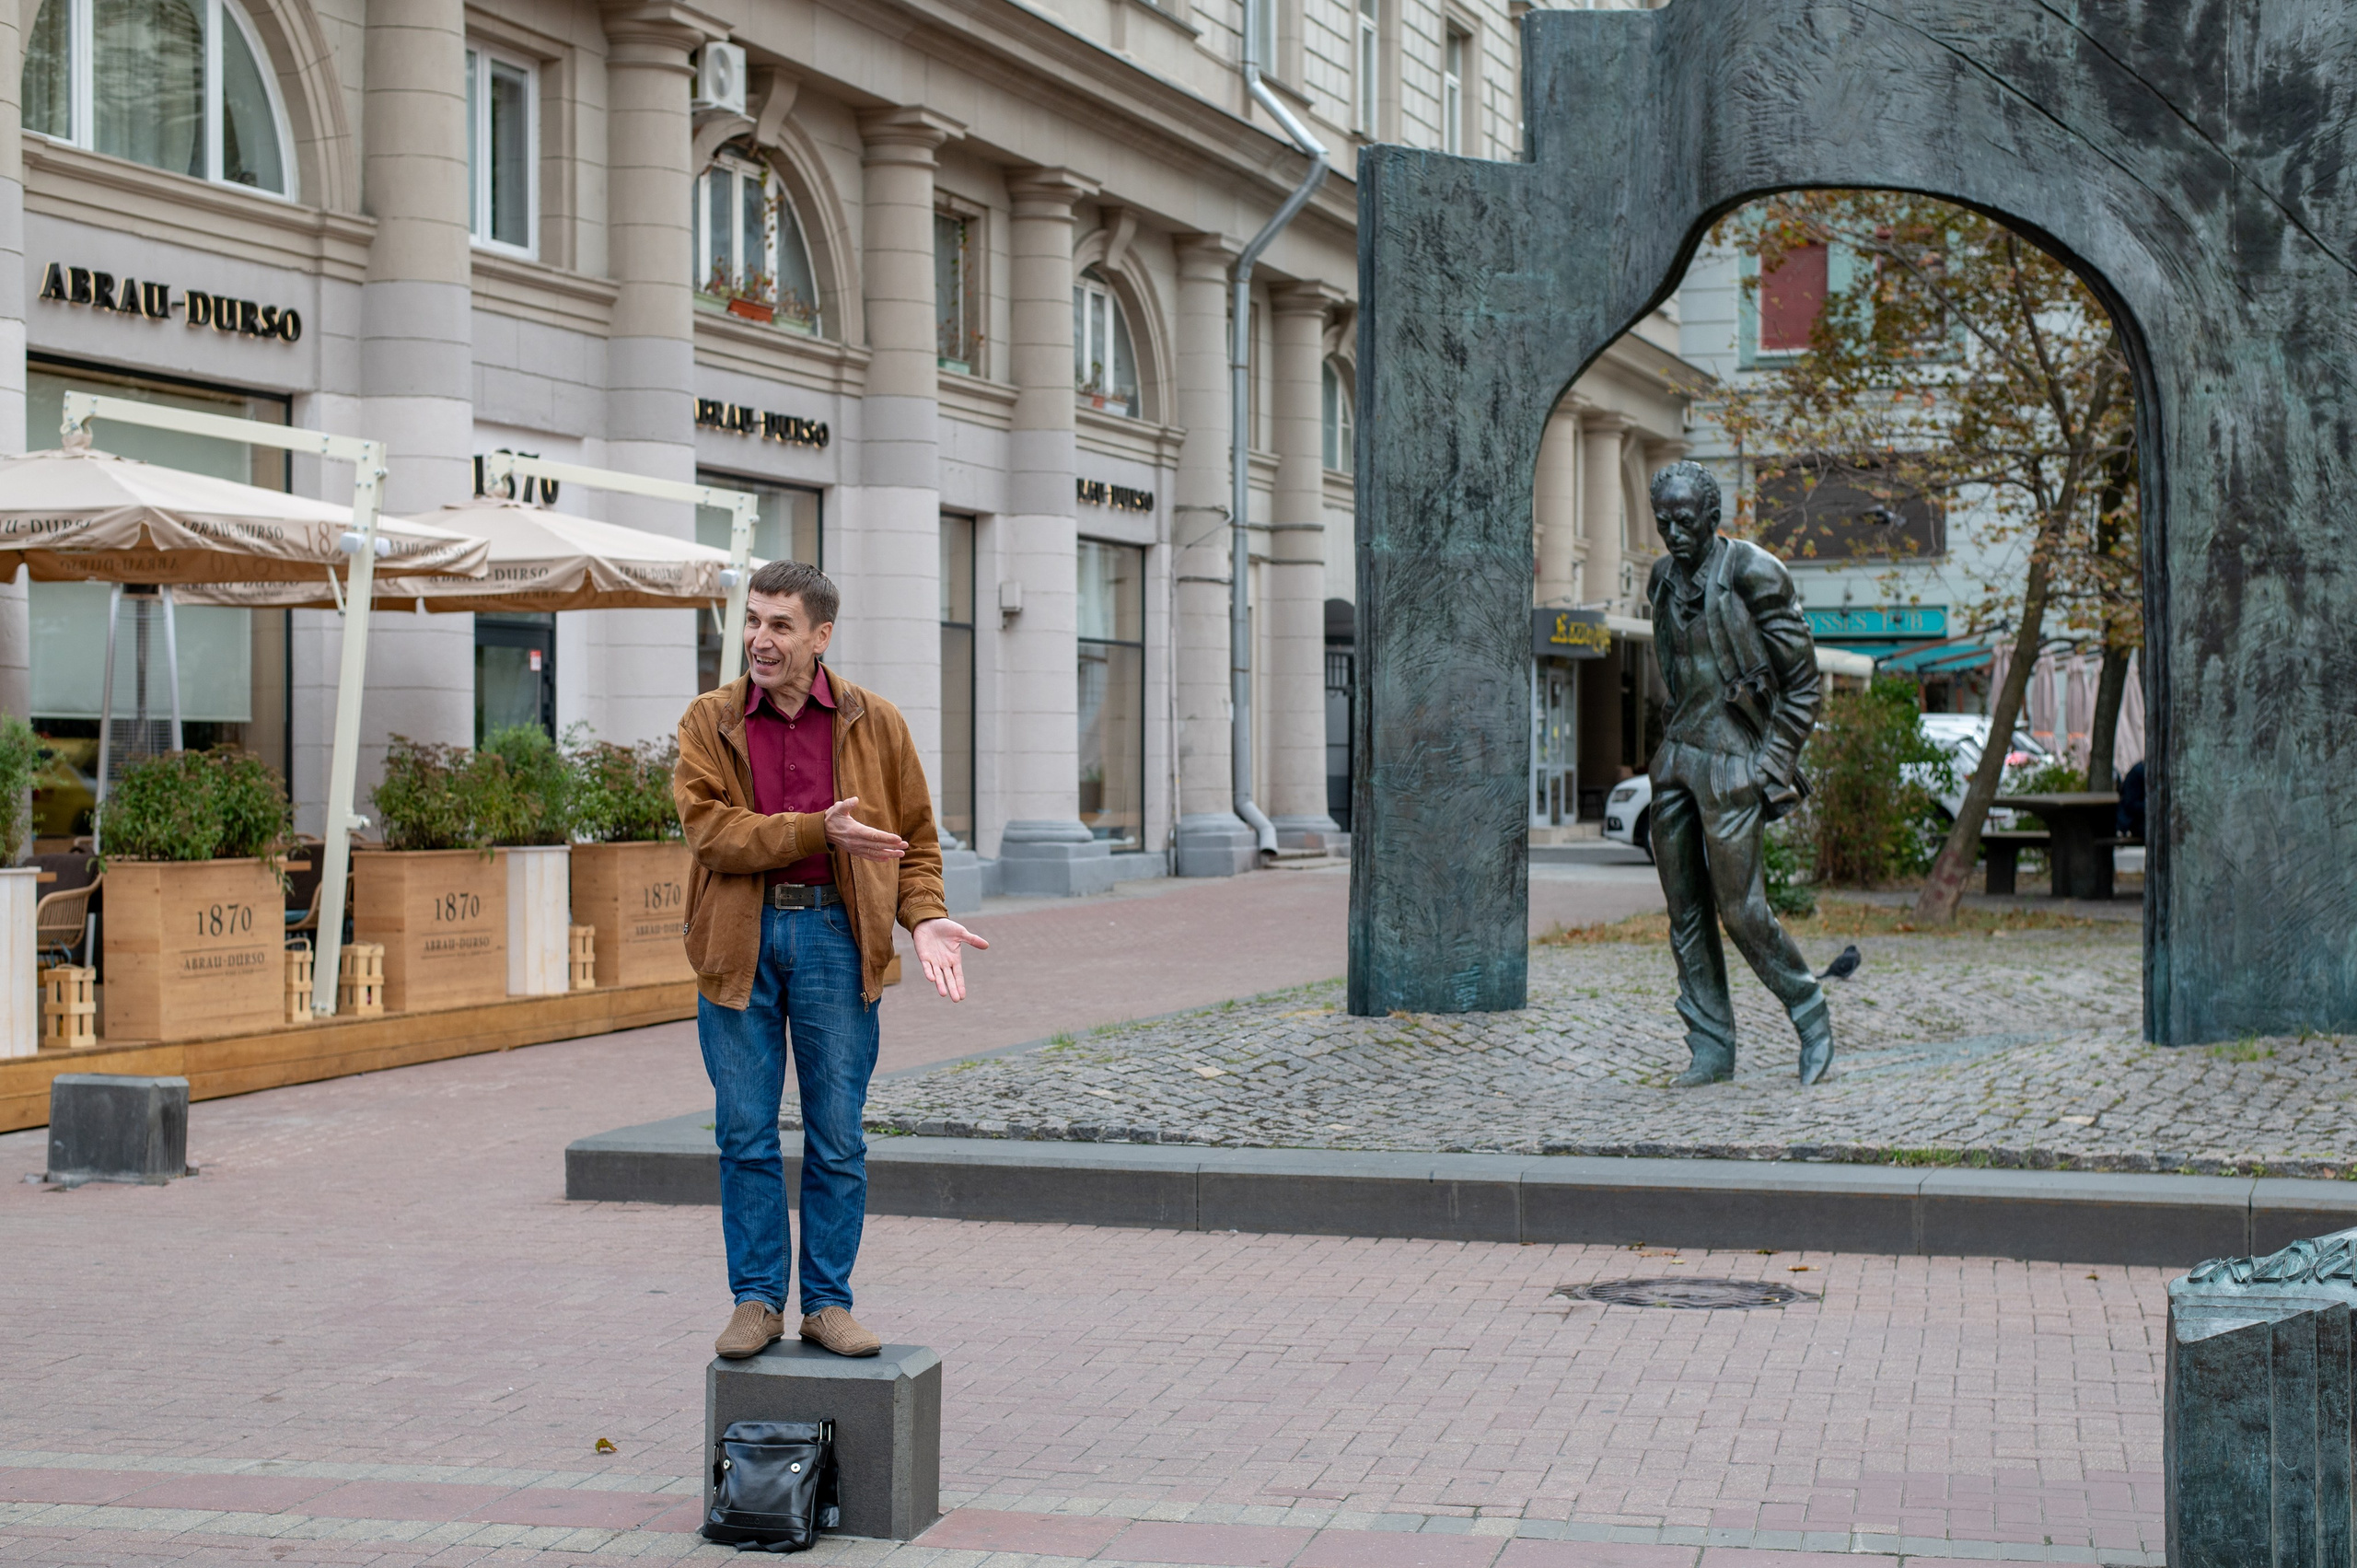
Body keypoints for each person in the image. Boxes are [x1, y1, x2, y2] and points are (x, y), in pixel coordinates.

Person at [675, 560, 988, 1360]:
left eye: (780, 625)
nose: (759, 640)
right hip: (738, 946)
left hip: (835, 942)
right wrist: (817, 829)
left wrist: (923, 918)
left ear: (821, 635)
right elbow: (713, 832)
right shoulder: (709, 721)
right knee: (744, 1132)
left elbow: (915, 841)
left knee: (837, 1135)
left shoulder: (874, 723)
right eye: (752, 621)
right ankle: (755, 1301)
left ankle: (826, 1303)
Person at [1643, 461, 1834, 1086]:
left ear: (1712, 518)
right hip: (1676, 760)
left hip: (1733, 762)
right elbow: (1675, 675)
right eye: (1663, 521)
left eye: (1685, 521)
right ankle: (1710, 1045)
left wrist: (1769, 764)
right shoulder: (1663, 581)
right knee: (1686, 915)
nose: (1673, 533)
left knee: (1743, 910)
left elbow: (1804, 683)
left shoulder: (1754, 571)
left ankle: (1809, 1011)